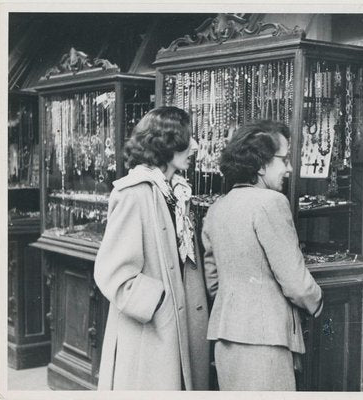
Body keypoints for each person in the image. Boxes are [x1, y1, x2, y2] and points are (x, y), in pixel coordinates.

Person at [202, 120, 323, 391]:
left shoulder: (217, 209)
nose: (289, 168)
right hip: (266, 342)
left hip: (226, 339)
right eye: (284, 159)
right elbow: (296, 283)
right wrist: (318, 302)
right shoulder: (272, 203)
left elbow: (213, 282)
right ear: (260, 164)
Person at [94, 106, 209, 390]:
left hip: (177, 332)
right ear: (166, 143)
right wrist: (160, 303)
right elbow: (114, 274)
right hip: (152, 336)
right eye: (188, 138)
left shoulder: (176, 192)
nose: (194, 146)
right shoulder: (133, 193)